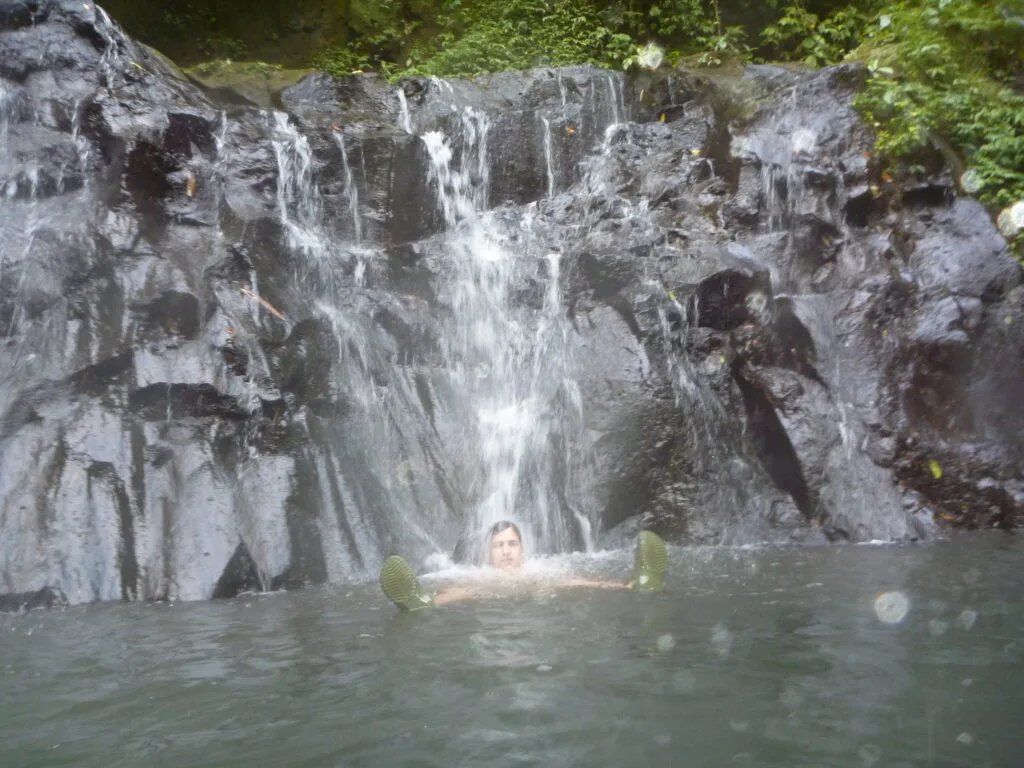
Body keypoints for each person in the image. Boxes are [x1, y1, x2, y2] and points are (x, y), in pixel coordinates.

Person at [379, 520, 669, 612]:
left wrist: (614, 585)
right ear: (489, 554)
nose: (505, 551)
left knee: (568, 581)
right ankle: (420, 602)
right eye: (499, 545)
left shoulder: (540, 569)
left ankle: (637, 583)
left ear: (522, 549)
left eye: (511, 544)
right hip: (492, 601)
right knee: (467, 588)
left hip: (537, 595)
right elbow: (460, 589)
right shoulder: (481, 575)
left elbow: (575, 580)